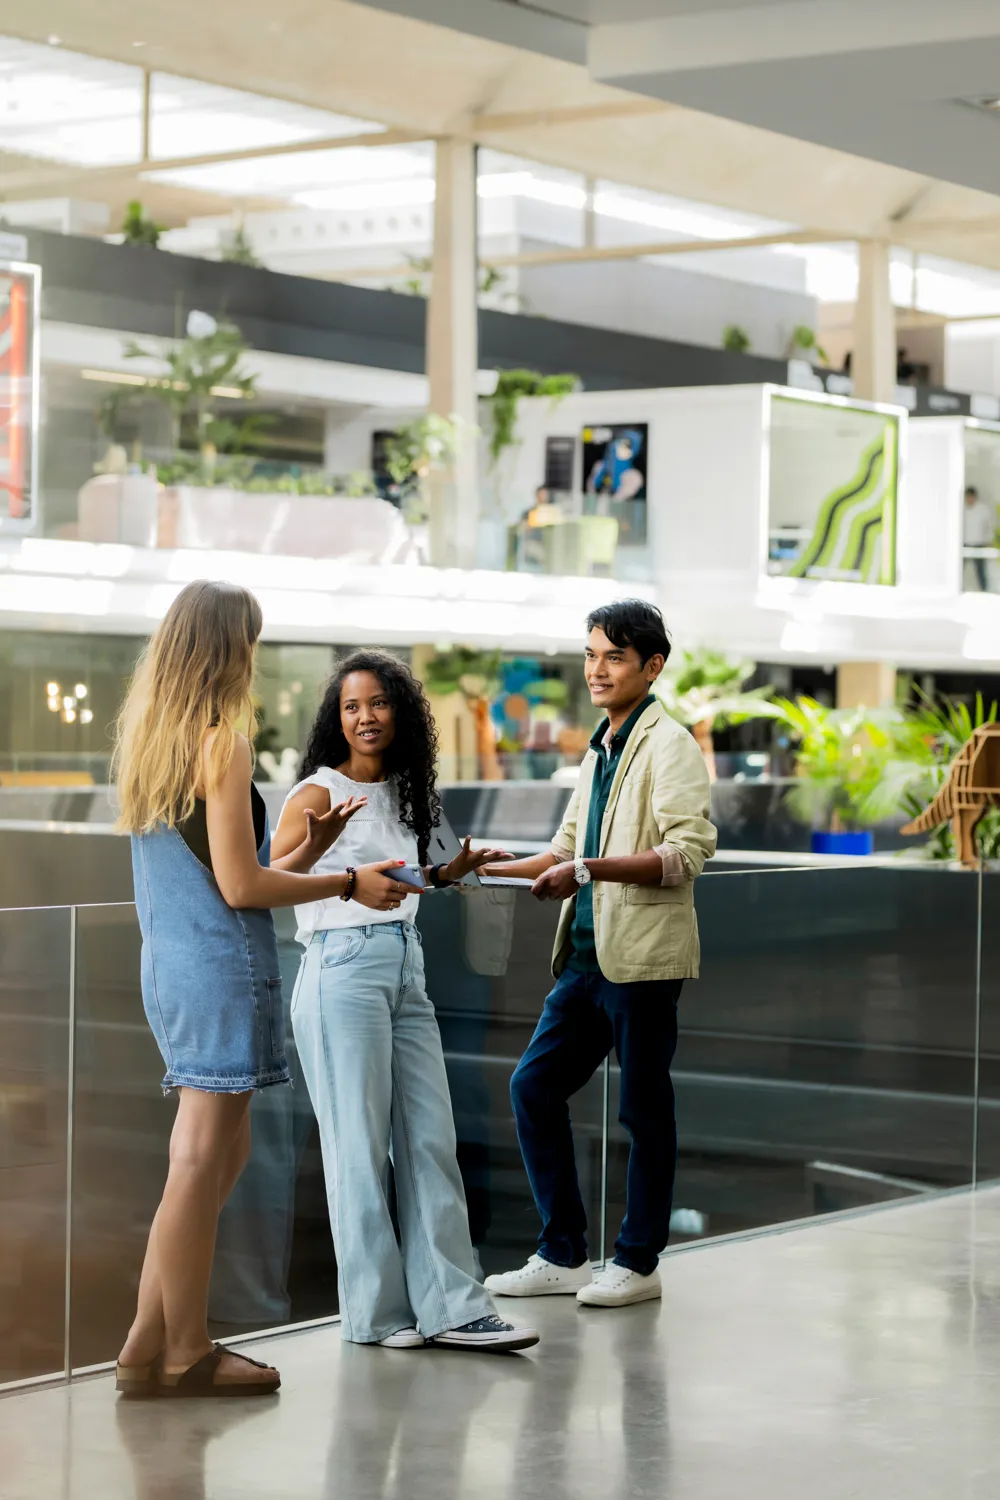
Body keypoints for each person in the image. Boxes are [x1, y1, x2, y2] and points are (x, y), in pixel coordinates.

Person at [114, 581, 416, 1398]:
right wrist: (347, 879)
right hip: (221, 967)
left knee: (214, 1154)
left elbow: (228, 876)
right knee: (202, 1157)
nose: (253, 655)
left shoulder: (151, 741)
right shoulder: (222, 743)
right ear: (226, 649)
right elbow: (243, 893)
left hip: (174, 968)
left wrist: (308, 852)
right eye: (248, 639)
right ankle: (186, 1349)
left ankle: (146, 1342)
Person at [272, 649, 539, 1353]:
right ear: (337, 717)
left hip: (403, 963)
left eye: (378, 703)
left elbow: (405, 878)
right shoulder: (314, 792)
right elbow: (272, 875)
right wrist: (340, 869)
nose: (365, 717)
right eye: (351, 706)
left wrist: (448, 872)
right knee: (359, 1149)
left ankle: (455, 1306)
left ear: (401, 712)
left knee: (428, 1138)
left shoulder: (411, 793)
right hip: (339, 968)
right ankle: (377, 1316)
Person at [482, 600, 717, 1308]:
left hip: (643, 961)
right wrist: (492, 866)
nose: (596, 669)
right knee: (533, 1087)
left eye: (613, 657)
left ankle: (637, 1262)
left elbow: (688, 853)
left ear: (652, 666)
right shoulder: (600, 748)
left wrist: (586, 871)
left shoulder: (669, 745)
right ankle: (563, 1253)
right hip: (586, 961)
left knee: (645, 1113)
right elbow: (563, 850)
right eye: (590, 655)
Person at [963, 485, 996, 592]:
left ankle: (984, 591)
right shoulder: (962, 509)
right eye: (967, 497)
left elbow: (990, 525)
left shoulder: (983, 509)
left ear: (975, 496)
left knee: (980, 571)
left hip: (979, 543)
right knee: (957, 569)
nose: (969, 499)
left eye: (971, 497)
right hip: (965, 543)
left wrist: (990, 539)